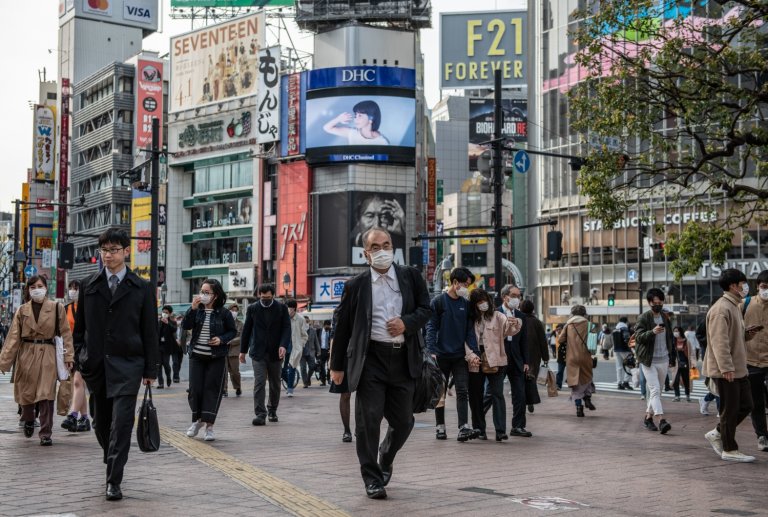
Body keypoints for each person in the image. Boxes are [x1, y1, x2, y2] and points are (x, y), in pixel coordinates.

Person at [330, 227, 431, 500]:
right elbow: (342, 327)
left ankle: (385, 456)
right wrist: (336, 367)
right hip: (370, 360)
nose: (383, 251)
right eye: (376, 247)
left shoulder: (410, 277)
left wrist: (405, 324)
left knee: (404, 422)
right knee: (368, 421)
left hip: (403, 358)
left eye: (387, 244)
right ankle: (372, 479)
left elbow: (426, 309)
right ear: (366, 253)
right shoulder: (356, 286)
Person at [72, 228, 159, 501]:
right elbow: (80, 332)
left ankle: (114, 480)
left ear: (125, 252)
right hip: (97, 366)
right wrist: (81, 360)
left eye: (113, 250)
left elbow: (149, 331)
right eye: (104, 251)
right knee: (101, 424)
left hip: (129, 364)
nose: (108, 255)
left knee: (122, 424)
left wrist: (150, 370)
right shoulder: (88, 286)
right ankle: (111, 457)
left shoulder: (141, 288)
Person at [0, 275, 73, 445]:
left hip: (48, 353)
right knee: (26, 393)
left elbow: (65, 333)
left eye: (40, 286)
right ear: (28, 290)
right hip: (26, 353)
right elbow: (13, 338)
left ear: (46, 288)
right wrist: (4, 361)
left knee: (46, 395)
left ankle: (46, 433)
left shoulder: (56, 308)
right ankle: (29, 418)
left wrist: (69, 356)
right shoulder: (22, 310)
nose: (37, 289)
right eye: (33, 287)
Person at [704, 268, 757, 462]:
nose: (745, 287)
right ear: (733, 286)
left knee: (747, 404)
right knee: (730, 408)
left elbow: (732, 337)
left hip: (738, 368)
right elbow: (720, 342)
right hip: (727, 370)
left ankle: (718, 433)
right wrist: (726, 368)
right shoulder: (721, 309)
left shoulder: (734, 306)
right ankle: (729, 448)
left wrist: (746, 334)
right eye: (743, 283)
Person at [425, 266, 481, 441]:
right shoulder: (439, 302)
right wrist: (431, 350)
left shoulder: (466, 305)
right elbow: (431, 327)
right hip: (440, 355)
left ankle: (463, 427)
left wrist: (475, 352)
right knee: (439, 392)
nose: (467, 288)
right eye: (465, 284)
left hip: (459, 356)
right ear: (455, 283)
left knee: (462, 390)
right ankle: (440, 427)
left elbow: (469, 332)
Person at [183, 279, 236, 442]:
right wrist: (191, 309)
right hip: (197, 356)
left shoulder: (224, 313)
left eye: (207, 292)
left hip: (216, 357)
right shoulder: (197, 310)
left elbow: (232, 332)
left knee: (212, 390)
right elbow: (186, 325)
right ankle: (197, 421)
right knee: (195, 390)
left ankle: (209, 427)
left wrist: (221, 339)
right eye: (202, 291)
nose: (203, 295)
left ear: (216, 295)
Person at [467, 289, 520, 441]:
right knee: (476, 396)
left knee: (497, 394)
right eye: (478, 302)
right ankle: (479, 429)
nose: (482, 304)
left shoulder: (497, 316)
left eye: (484, 300)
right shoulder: (471, 319)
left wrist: (515, 324)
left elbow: (509, 329)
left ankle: (500, 430)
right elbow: (465, 338)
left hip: (496, 358)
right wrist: (470, 355)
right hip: (476, 357)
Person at [239, 284, 291, 426]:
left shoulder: (281, 308)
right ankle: (260, 414)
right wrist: (242, 351)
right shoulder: (253, 309)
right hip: (258, 352)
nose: (265, 300)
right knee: (260, 382)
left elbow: (287, 328)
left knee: (275, 383)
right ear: (259, 296)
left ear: (273, 295)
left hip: (276, 352)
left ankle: (272, 409)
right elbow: (247, 330)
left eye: (268, 297)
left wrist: (283, 345)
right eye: (262, 298)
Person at [634, 288, 676, 435]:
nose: (657, 305)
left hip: (663, 358)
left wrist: (672, 357)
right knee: (655, 390)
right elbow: (638, 337)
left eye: (660, 302)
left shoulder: (665, 317)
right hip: (648, 360)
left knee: (657, 392)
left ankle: (648, 418)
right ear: (649, 303)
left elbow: (670, 338)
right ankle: (661, 420)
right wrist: (652, 332)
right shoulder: (644, 317)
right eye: (654, 303)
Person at [496, 284, 531, 436]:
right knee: (492, 393)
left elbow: (524, 340)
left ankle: (517, 426)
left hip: (517, 359)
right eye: (514, 296)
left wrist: (526, 361)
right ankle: (478, 423)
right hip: (500, 357)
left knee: (520, 394)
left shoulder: (521, 316)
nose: (517, 299)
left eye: (519, 296)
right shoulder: (495, 313)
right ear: (505, 297)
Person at [743, 270, 768, 452]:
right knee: (756, 402)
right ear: (758, 286)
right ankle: (762, 436)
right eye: (764, 287)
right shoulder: (745, 304)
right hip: (751, 360)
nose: (766, 290)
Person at [62, 279, 91, 433]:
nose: (74, 290)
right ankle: (85, 418)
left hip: (85, 350)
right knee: (77, 383)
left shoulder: (89, 308)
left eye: (76, 288)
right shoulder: (66, 308)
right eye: (71, 288)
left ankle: (72, 415)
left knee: (78, 382)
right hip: (71, 350)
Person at [557, 305, 596, 417]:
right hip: (586, 357)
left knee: (575, 383)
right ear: (584, 314)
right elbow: (593, 343)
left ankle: (579, 407)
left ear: (573, 314)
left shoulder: (568, 325)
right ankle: (587, 397)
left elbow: (560, 340)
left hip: (572, 358)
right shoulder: (589, 324)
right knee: (587, 378)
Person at [520, 300, 550, 413]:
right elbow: (543, 341)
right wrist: (545, 357)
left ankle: (522, 401)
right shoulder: (537, 322)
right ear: (532, 309)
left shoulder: (519, 320)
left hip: (520, 355)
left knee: (520, 379)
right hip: (534, 356)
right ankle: (531, 401)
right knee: (531, 378)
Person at [322, 100, 390, 145]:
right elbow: (327, 128)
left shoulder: (383, 142)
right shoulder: (352, 133)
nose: (355, 119)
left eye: (360, 115)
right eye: (355, 115)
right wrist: (338, 119)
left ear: (371, 119)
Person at [284, 299, 308, 397]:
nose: (287, 310)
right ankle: (290, 381)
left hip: (295, 347)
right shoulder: (283, 318)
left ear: (293, 308)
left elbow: (305, 336)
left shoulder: (301, 319)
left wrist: (300, 345)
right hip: (283, 347)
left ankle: (290, 389)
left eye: (288, 308)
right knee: (282, 370)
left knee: (292, 367)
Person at [224, 303, 243, 397]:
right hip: (223, 350)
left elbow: (241, 337)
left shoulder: (240, 324)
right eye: (232, 310)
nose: (234, 312)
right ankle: (224, 390)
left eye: (236, 311)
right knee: (223, 371)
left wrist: (230, 341)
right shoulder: (223, 322)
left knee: (235, 372)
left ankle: (238, 387)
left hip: (234, 351)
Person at [672, 326, 695, 402]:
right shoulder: (673, 341)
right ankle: (677, 396)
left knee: (686, 380)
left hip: (685, 363)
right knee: (675, 380)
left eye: (677, 331)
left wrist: (693, 363)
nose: (675, 333)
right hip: (676, 364)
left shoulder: (686, 341)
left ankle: (687, 396)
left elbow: (691, 353)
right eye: (674, 331)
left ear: (680, 332)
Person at [157, 305, 177, 389]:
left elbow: (174, 329)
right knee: (158, 365)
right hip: (158, 346)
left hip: (167, 347)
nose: (164, 314)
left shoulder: (172, 322)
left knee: (166, 364)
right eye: (163, 312)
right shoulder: (159, 321)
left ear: (169, 314)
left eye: (166, 313)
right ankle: (160, 383)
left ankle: (168, 377)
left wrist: (167, 323)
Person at [300, 316, 320, 388]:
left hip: (311, 351)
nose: (305, 323)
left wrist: (318, 351)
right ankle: (305, 383)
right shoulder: (300, 330)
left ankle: (308, 379)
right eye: (304, 321)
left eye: (307, 321)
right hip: (302, 352)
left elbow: (316, 341)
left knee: (312, 367)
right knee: (303, 368)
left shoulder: (313, 330)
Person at [613, 317, 633, 390]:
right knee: (629, 365)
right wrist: (631, 348)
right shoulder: (624, 328)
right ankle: (626, 382)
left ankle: (619, 383)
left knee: (619, 367)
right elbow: (627, 339)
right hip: (625, 349)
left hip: (616, 349)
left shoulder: (615, 329)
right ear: (626, 321)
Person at [173, 314, 188, 383]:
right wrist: (176, 340)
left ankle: (176, 374)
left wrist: (187, 341)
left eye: (180, 319)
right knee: (175, 362)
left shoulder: (184, 327)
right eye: (178, 319)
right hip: (174, 346)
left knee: (179, 362)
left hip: (181, 347)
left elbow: (189, 336)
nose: (179, 320)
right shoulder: (173, 326)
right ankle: (176, 377)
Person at [317, 320, 331, 386]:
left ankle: (329, 379)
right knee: (321, 366)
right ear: (324, 325)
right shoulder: (318, 331)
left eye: (329, 326)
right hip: (321, 351)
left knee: (329, 366)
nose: (328, 327)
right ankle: (323, 381)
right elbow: (316, 342)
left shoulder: (331, 331)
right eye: (327, 326)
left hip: (329, 351)